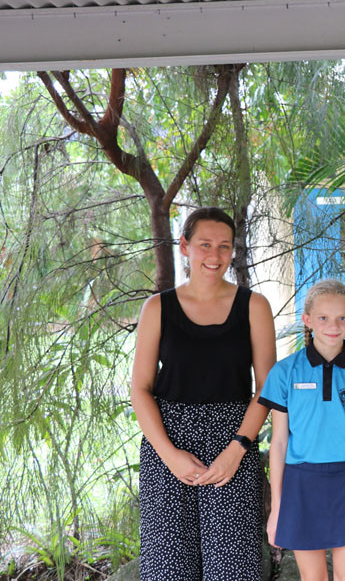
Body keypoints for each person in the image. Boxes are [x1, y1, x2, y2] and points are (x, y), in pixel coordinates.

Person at [131, 207, 276, 580]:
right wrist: (169, 455)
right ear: (184, 246)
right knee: (168, 568)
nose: (215, 256)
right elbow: (141, 389)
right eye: (205, 244)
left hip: (233, 442)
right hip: (168, 443)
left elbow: (267, 389)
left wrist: (238, 448)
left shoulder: (254, 307)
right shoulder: (157, 308)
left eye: (224, 246)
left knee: (232, 568)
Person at [258, 279, 345, 581]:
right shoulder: (286, 372)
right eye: (323, 318)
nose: (333, 326)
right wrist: (277, 509)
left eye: (342, 318)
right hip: (301, 485)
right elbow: (278, 444)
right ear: (307, 320)